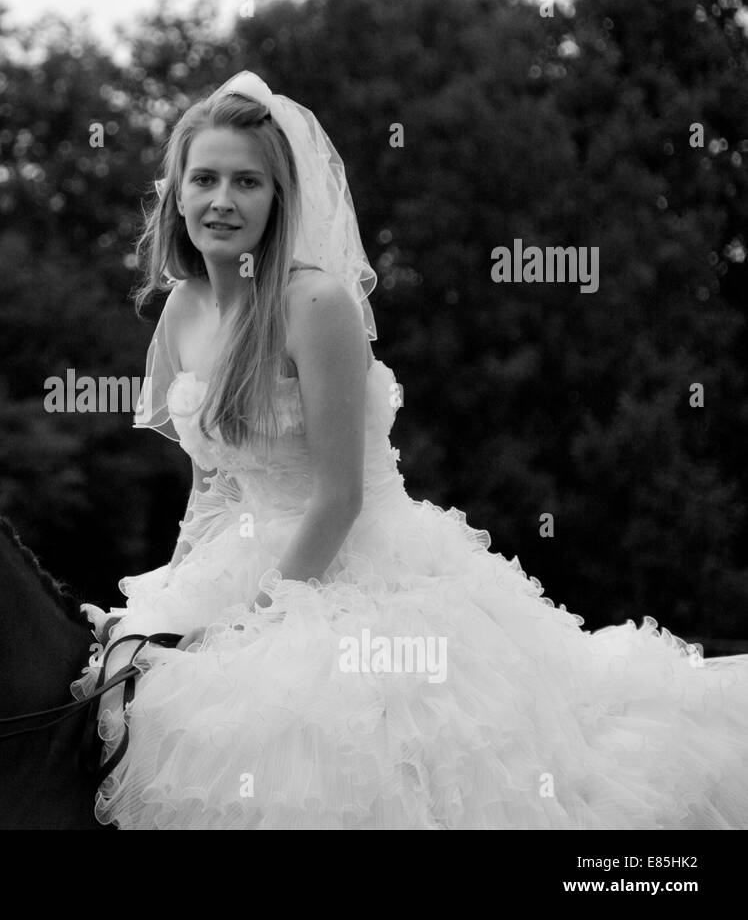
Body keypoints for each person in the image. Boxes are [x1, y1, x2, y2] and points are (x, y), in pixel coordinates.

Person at [69, 70, 748, 829]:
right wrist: (180, 592)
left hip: (353, 561)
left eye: (247, 181)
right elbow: (212, 489)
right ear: (177, 194)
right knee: (141, 685)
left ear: (279, 198)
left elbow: (340, 495)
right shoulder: (185, 310)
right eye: (205, 178)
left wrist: (248, 624)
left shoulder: (314, 303)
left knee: (342, 750)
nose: (222, 199)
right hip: (241, 550)